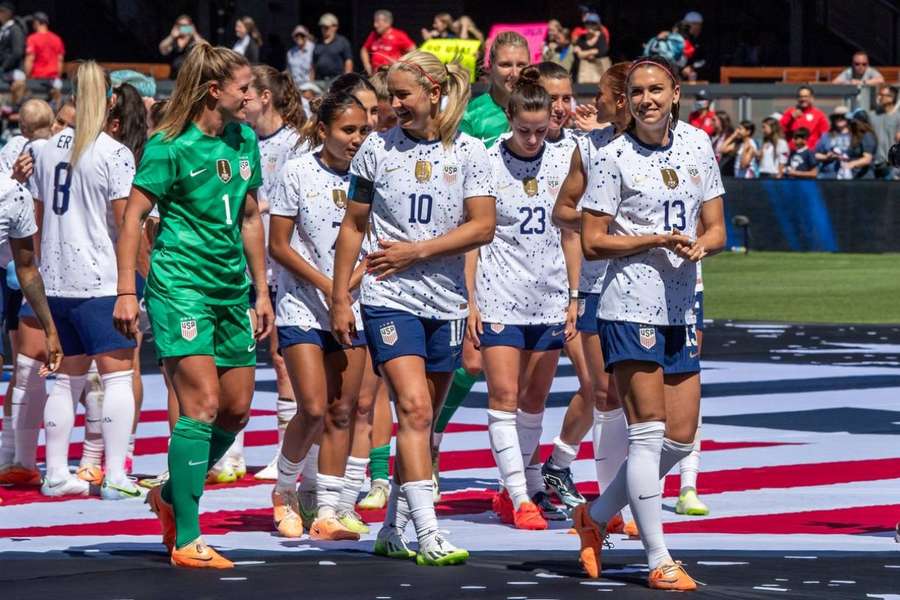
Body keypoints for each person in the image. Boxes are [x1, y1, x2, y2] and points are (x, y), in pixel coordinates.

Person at [113, 43, 273, 569]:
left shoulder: (244, 138)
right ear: (214, 91)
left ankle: (166, 495)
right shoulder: (167, 146)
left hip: (231, 289)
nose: (252, 96)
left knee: (236, 409)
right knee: (201, 405)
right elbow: (133, 218)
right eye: (244, 88)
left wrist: (261, 287)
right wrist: (127, 291)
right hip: (180, 286)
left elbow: (250, 216)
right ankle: (187, 538)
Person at [332, 50, 495, 565]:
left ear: (432, 93)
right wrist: (341, 295)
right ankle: (429, 534)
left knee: (421, 421)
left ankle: (392, 528)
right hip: (388, 297)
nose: (393, 105)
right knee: (416, 410)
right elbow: (353, 226)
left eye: (402, 95)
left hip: (445, 301)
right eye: (391, 95)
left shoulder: (471, 151)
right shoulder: (375, 150)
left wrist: (418, 252)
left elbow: (482, 226)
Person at [573, 56, 725, 591]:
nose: (646, 100)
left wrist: (698, 245)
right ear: (626, 100)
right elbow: (593, 239)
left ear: (676, 91)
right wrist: (654, 239)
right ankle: (658, 558)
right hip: (626, 305)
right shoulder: (611, 156)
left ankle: (593, 517)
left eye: (656, 89)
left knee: (680, 442)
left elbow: (717, 229)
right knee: (647, 435)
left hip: (681, 306)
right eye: (637, 92)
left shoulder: (699, 144)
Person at [23, 62, 138, 502]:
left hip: (55, 279)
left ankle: (54, 472)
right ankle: (114, 475)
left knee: (65, 379)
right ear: (109, 101)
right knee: (117, 379)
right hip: (100, 277)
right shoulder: (113, 152)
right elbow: (124, 223)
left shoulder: (46, 149)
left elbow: (34, 220)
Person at [471, 67, 579, 531]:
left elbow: (572, 234)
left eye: (540, 131)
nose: (533, 139)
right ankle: (518, 494)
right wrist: (471, 300)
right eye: (524, 130)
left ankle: (530, 484)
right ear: (509, 119)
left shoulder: (565, 156)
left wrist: (574, 296)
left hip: (549, 292)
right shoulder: (487, 158)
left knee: (535, 398)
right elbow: (475, 236)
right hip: (499, 292)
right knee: (504, 395)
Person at [268, 90, 372, 540]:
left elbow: (378, 238)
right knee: (311, 407)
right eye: (349, 130)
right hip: (302, 306)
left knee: (342, 411)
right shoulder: (297, 171)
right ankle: (285, 491)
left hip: (354, 307)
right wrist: (330, 287)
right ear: (324, 130)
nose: (357, 139)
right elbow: (278, 245)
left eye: (363, 130)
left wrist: (347, 288)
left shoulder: (370, 174)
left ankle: (327, 507)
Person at [207, 65, 307, 484]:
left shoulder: (295, 144)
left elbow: (296, 200)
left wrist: (259, 209)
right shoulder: (235, 139)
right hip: (240, 261)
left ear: (266, 97)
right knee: (233, 354)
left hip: (282, 261)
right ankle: (229, 452)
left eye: (251, 92)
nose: (245, 99)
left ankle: (286, 453)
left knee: (282, 357)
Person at [546, 62, 632, 530]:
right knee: (604, 391)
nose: (592, 100)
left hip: (655, 287)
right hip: (599, 282)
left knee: (643, 403)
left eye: (600, 92)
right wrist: (606, 226)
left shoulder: (680, 146)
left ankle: (607, 490)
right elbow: (563, 211)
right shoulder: (590, 146)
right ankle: (607, 509)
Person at [0, 106, 62, 487]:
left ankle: (15, 456)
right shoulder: (13, 181)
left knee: (23, 364)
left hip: (31, 272)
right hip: (52, 270)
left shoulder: (13, 192)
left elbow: (26, 268)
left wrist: (49, 326)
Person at [461, 31, 530, 147]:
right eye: (506, 65)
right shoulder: (469, 115)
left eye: (521, 65)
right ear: (490, 66)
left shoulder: (541, 110)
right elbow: (452, 164)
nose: (515, 73)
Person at [361, 10, 416, 76]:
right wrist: (367, 65)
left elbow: (413, 50)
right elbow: (364, 50)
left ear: (387, 23)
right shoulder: (373, 35)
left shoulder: (399, 35)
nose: (375, 25)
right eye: (375, 22)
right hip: (376, 75)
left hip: (392, 75)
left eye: (378, 22)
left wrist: (402, 64)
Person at [780, 86, 829, 151]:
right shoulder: (790, 112)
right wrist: (791, 117)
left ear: (812, 98)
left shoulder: (819, 115)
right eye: (801, 96)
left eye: (806, 96)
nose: (803, 99)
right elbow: (779, 129)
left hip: (810, 153)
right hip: (793, 153)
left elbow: (825, 135)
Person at [868, 85, 900, 179]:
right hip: (874, 164)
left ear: (891, 98)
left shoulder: (898, 117)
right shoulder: (872, 115)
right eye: (879, 94)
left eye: (882, 95)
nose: (879, 97)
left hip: (892, 166)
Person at [158, 15, 204, 79]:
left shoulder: (194, 40)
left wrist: (194, 33)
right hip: (174, 77)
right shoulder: (173, 40)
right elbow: (162, 49)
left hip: (190, 77)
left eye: (186, 25)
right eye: (180, 25)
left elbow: (204, 47)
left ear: (190, 26)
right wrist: (172, 36)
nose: (183, 27)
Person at [311, 13, 353, 82]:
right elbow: (313, 65)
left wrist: (346, 81)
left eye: (327, 27)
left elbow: (348, 62)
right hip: (319, 80)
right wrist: (311, 81)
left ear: (335, 27)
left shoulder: (343, 42)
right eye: (322, 27)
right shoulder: (317, 43)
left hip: (336, 80)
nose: (324, 29)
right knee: (307, 91)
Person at [23, 12, 63, 81]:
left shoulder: (32, 38)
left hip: (37, 79)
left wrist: (26, 77)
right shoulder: (57, 39)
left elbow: (30, 59)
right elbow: (60, 60)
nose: (32, 25)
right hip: (53, 80)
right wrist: (58, 78)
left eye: (33, 22)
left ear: (37, 23)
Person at [814, 108, 853, 179]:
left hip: (850, 176)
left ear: (848, 119)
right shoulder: (826, 136)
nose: (839, 119)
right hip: (828, 176)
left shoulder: (855, 136)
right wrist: (827, 157)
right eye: (836, 117)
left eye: (843, 117)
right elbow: (816, 155)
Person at [574, 13, 609, 85]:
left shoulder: (601, 36)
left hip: (599, 70)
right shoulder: (582, 38)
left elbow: (603, 51)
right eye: (587, 23)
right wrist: (593, 51)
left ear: (598, 25)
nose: (590, 26)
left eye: (593, 23)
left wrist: (583, 53)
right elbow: (577, 53)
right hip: (584, 72)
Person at [0, 2, 25, 81]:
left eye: (1, 11)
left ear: (8, 13)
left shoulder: (15, 29)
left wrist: (3, 67)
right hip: (5, 71)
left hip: (13, 71)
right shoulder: (3, 29)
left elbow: (17, 52)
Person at [711, 110, 736, 176]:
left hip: (725, 170)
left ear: (721, 121)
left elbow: (721, 150)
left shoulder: (730, 136)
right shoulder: (712, 136)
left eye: (714, 120)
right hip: (713, 170)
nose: (711, 122)